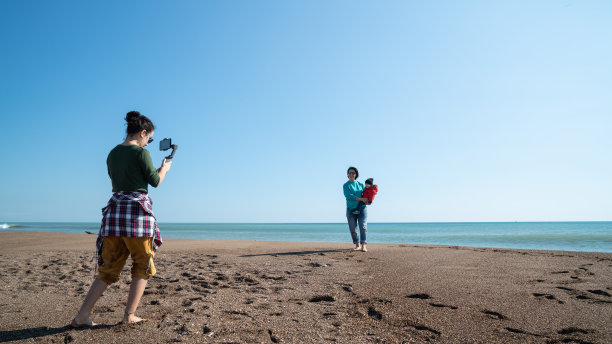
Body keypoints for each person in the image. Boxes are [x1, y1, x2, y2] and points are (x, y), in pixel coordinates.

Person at [71, 111, 172, 328]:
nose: (148, 143)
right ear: (143, 133)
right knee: (143, 265)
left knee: (108, 270)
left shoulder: (113, 153)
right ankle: (129, 315)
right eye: (149, 138)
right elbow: (154, 182)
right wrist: (164, 169)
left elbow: (126, 180)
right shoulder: (140, 153)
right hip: (136, 216)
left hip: (114, 214)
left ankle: (82, 316)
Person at [343, 167, 369, 252]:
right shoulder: (346, 185)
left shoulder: (361, 185)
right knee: (353, 228)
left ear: (356, 174)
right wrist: (361, 199)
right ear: (347, 174)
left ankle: (363, 245)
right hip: (351, 209)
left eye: (353, 173)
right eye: (349, 173)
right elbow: (349, 196)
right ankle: (357, 244)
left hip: (362, 208)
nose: (351, 174)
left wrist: (368, 200)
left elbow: (366, 195)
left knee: (363, 226)